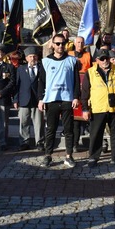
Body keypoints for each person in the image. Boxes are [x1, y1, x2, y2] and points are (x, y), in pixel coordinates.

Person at [38, 33, 81, 168]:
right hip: (51, 100)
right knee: (51, 129)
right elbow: (41, 82)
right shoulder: (45, 61)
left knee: (69, 130)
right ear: (53, 45)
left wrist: (76, 97)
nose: (60, 46)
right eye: (57, 43)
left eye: (63, 43)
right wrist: (41, 99)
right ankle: (48, 155)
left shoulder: (72, 60)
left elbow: (76, 81)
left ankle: (69, 156)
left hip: (67, 99)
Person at [81, 48, 115, 168]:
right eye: (102, 59)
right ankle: (93, 158)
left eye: (107, 58)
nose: (105, 61)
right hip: (98, 108)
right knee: (96, 134)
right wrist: (85, 109)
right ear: (97, 60)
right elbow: (84, 93)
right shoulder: (90, 72)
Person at [14, 47, 44, 151]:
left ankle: (39, 142)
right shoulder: (21, 69)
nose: (32, 58)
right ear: (26, 58)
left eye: (34, 56)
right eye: (30, 56)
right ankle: (24, 142)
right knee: (23, 122)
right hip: (24, 99)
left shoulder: (42, 68)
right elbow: (17, 85)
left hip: (37, 100)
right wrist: (15, 100)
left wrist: (43, 99)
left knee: (38, 123)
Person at [69, 36, 93, 152]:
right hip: (72, 88)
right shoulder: (69, 54)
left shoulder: (88, 55)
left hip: (85, 88)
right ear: (74, 43)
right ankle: (74, 144)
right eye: (78, 42)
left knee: (86, 117)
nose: (80, 44)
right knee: (74, 120)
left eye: (82, 42)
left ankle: (94, 144)